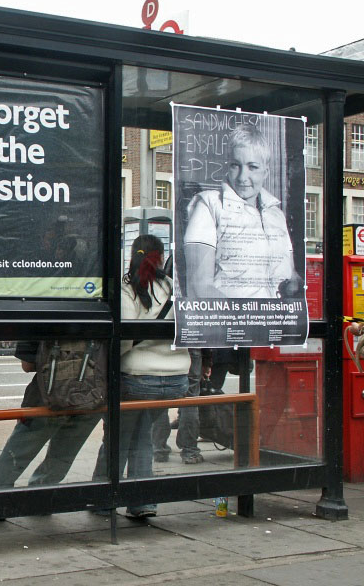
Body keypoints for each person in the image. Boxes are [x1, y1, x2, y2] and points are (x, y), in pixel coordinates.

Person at [93, 235, 191, 518]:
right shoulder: (172, 286)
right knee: (142, 435)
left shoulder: (127, 289)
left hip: (137, 379)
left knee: (119, 435)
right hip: (175, 380)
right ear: (160, 257)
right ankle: (141, 500)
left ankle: (102, 496)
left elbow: (124, 338)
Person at [184, 124, 301, 299]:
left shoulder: (276, 215)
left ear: (266, 172)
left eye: (252, 167)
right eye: (235, 165)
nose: (242, 177)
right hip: (235, 323)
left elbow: (290, 275)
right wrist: (244, 319)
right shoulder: (209, 206)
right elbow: (199, 287)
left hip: (276, 321)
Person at [0, 341, 102, 490]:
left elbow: (28, 365)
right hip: (90, 396)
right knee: (62, 457)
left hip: (45, 397)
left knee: (17, 454)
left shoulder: (42, 318)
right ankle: (42, 494)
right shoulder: (97, 317)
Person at [151, 348, 210, 464]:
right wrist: (207, 361)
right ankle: (190, 451)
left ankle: (159, 449)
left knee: (159, 397)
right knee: (190, 399)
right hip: (190, 349)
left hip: (159, 348)